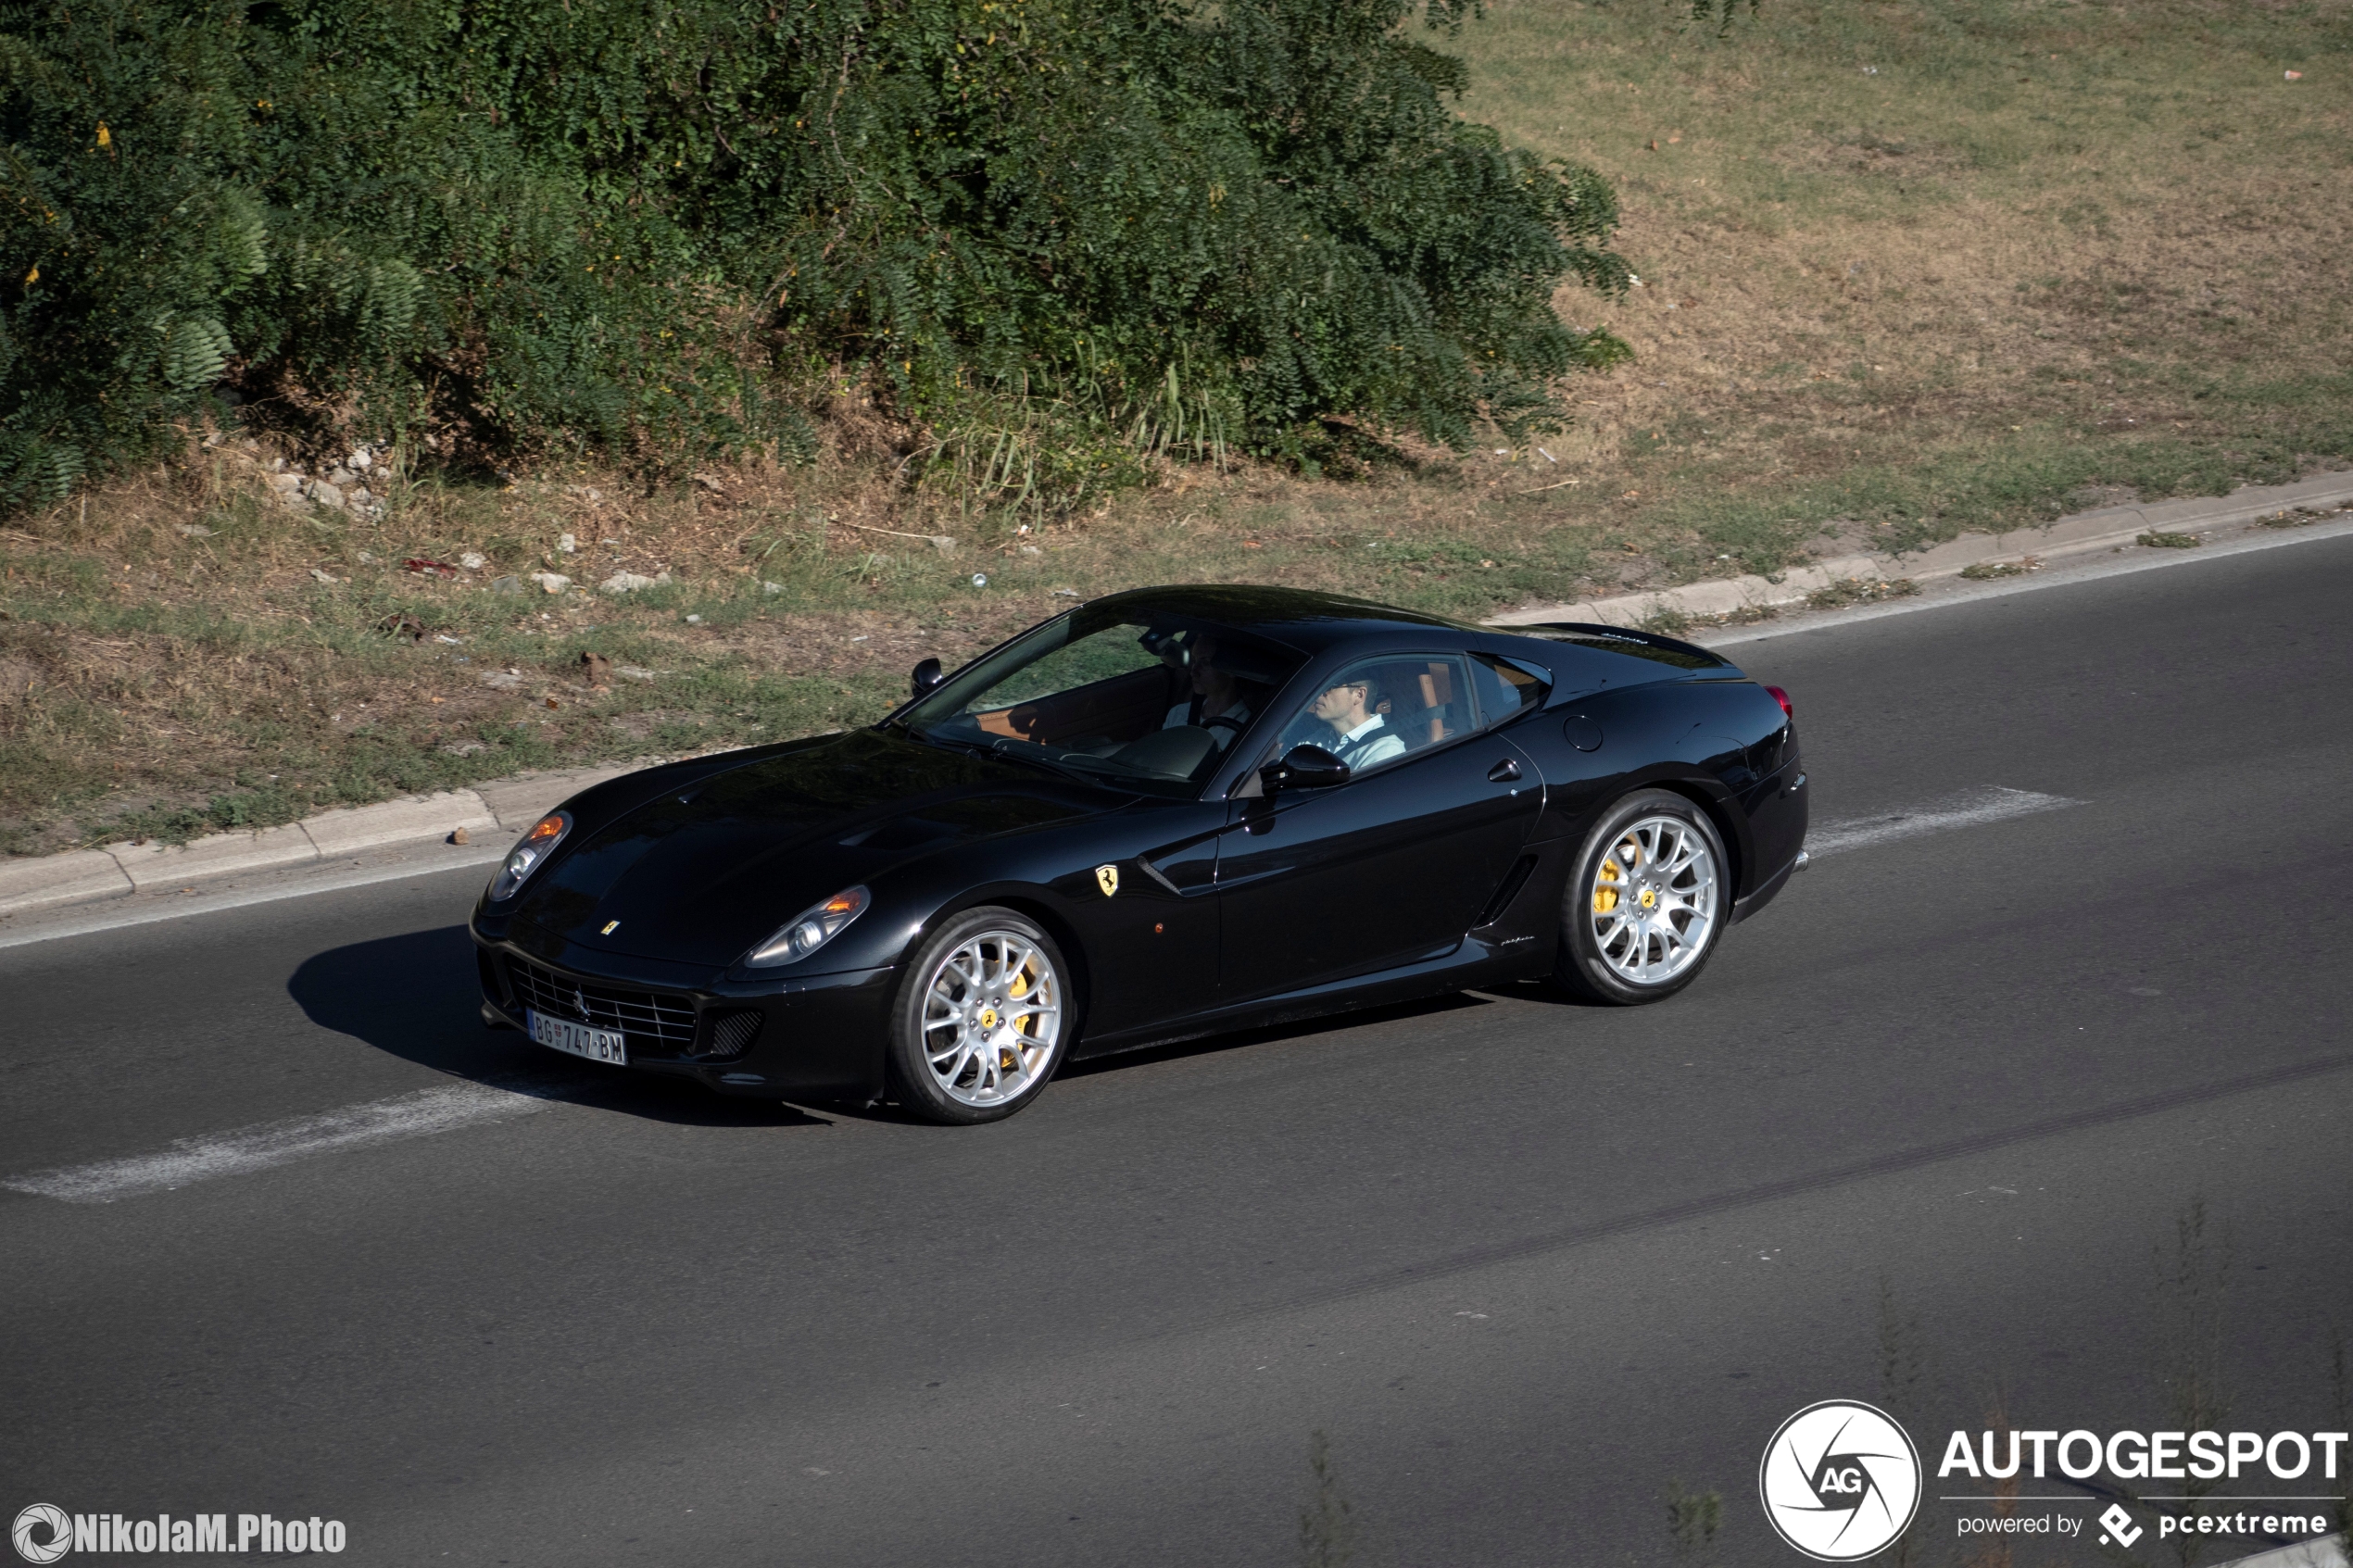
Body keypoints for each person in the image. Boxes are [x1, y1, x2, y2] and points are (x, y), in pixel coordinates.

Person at [1163, 635, 1254, 750]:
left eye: (1205, 663)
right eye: (1194, 661)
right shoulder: (1178, 713)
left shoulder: (1248, 727)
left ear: (1232, 670)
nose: (1193, 672)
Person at [1309, 671, 1405, 771]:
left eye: (1329, 687)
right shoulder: (1318, 738)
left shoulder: (1386, 750)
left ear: (1359, 695)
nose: (1319, 694)